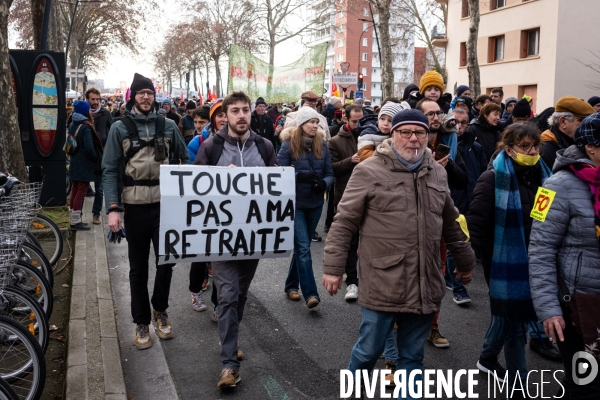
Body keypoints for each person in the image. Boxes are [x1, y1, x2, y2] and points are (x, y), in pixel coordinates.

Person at [322, 109, 475, 398]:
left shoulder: (437, 172)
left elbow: (452, 223)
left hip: (424, 279)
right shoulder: (368, 170)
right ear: (393, 135)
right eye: (406, 132)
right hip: (383, 281)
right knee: (369, 351)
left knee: (411, 357)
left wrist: (465, 261)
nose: (414, 139)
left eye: (420, 133)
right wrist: (334, 268)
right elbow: (344, 222)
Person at [193, 91, 277, 389]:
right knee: (226, 295)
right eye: (235, 111)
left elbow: (276, 186)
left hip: (252, 237)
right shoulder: (211, 146)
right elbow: (194, 188)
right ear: (224, 115)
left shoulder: (264, 146)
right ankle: (229, 364)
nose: (242, 116)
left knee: (240, 293)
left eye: (246, 110)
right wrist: (219, 176)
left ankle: (232, 339)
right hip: (220, 238)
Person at [102, 73, 189, 350]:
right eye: (140, 93)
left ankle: (160, 310)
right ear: (133, 96)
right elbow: (109, 169)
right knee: (138, 269)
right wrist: (113, 209)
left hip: (165, 207)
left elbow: (184, 160)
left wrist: (185, 198)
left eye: (149, 93)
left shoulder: (168, 124)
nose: (145, 97)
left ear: (154, 96)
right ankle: (141, 321)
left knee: (167, 263)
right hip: (135, 208)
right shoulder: (119, 128)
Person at [467, 123, 552, 392]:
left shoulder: (544, 177)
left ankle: (487, 358)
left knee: (505, 316)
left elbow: (543, 218)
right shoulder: (493, 178)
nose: (532, 151)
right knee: (516, 319)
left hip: (535, 259)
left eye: (535, 146)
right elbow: (475, 224)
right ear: (509, 149)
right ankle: (520, 386)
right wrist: (466, 261)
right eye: (524, 146)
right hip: (503, 263)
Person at [529, 113, 600, 397]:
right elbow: (540, 248)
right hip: (576, 304)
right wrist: (549, 309)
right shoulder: (555, 185)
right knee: (585, 384)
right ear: (591, 147)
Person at [278, 107, 333, 309]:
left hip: (316, 203)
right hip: (295, 204)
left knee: (304, 247)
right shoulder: (287, 145)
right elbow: (279, 173)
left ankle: (291, 285)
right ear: (301, 124)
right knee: (302, 247)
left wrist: (324, 184)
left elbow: (329, 173)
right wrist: (297, 176)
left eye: (317, 122)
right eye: (311, 122)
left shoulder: (323, 145)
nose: (315, 125)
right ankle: (310, 293)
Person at [445, 108, 487, 304]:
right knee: (457, 242)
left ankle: (453, 279)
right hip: (453, 200)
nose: (460, 126)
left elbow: (482, 173)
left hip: (472, 200)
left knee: (462, 242)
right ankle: (458, 287)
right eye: (456, 122)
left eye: (464, 122)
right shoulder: (447, 144)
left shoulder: (475, 147)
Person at [327, 104, 365, 300]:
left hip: (370, 197)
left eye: (361, 121)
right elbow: (331, 168)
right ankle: (352, 281)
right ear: (345, 119)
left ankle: (367, 280)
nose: (359, 125)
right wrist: (350, 160)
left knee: (367, 242)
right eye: (355, 121)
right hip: (346, 196)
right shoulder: (334, 141)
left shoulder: (369, 137)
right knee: (350, 242)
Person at [68, 100, 103, 230]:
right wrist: (95, 158)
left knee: (75, 189)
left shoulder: (73, 123)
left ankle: (73, 218)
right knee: (81, 190)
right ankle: (76, 221)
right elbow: (89, 147)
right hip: (84, 163)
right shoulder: (86, 126)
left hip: (74, 160)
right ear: (85, 111)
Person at [540, 96, 595, 169]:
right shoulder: (545, 150)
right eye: (582, 121)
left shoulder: (582, 144)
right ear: (563, 122)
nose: (587, 126)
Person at [85, 88, 113, 225]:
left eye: (97, 99)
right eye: (93, 99)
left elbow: (112, 131)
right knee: (82, 187)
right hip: (87, 155)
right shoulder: (82, 114)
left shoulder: (105, 113)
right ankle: (77, 214)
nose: (95, 102)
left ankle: (96, 214)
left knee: (100, 188)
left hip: (102, 155)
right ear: (87, 99)